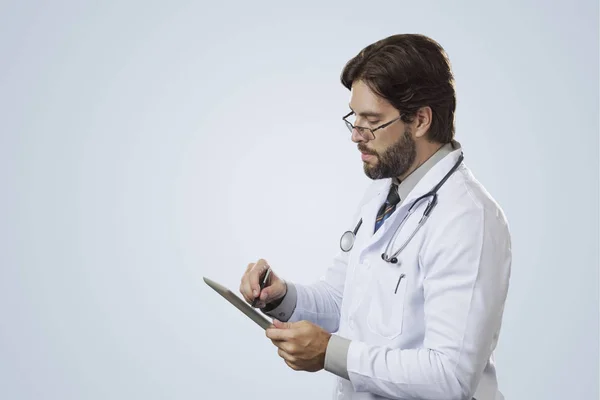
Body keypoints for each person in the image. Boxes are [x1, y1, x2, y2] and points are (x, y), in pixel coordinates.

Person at [239, 33, 511, 400]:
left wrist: (330, 353)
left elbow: (451, 377)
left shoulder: (467, 220)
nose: (355, 135)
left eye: (371, 121)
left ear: (420, 120)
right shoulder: (383, 192)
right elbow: (342, 303)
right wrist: (280, 297)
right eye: (354, 117)